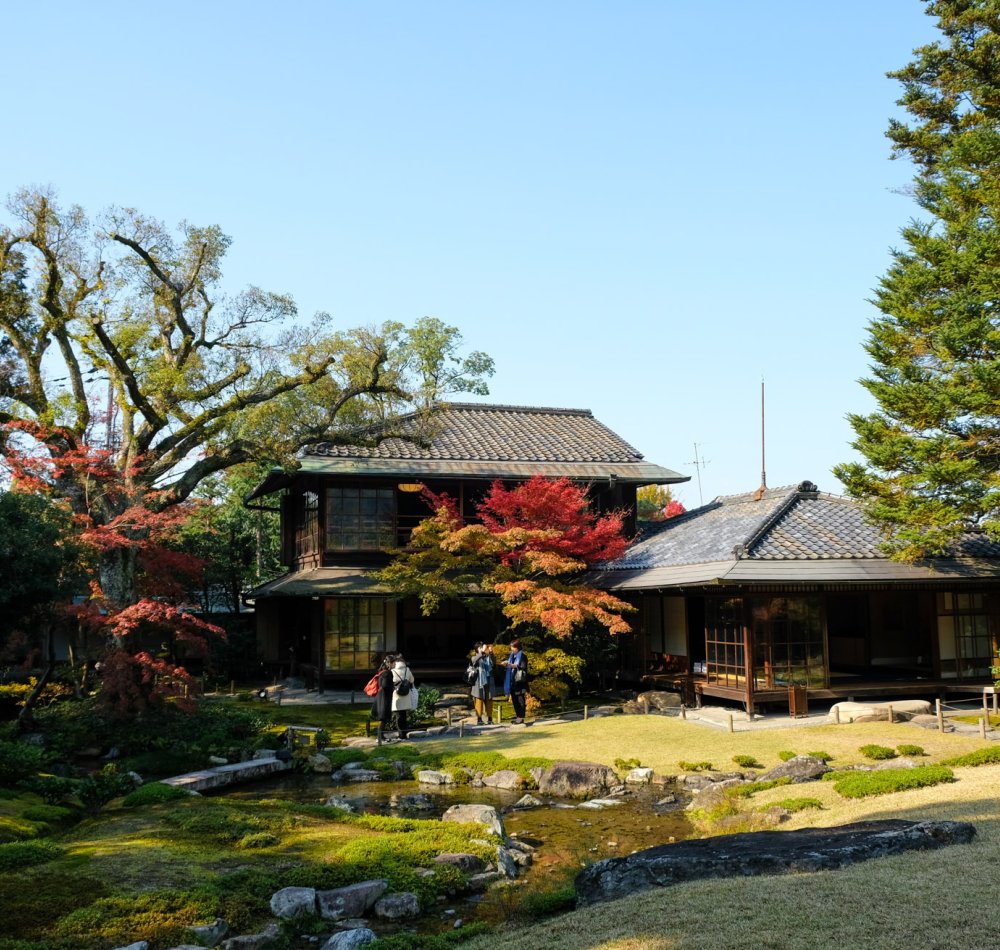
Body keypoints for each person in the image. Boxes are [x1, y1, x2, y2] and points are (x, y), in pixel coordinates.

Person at [501, 639, 528, 724]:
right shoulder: (512, 656)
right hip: (512, 682)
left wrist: (511, 665)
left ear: (517, 647)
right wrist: (506, 663)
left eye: (513, 647)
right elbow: (510, 664)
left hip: (520, 682)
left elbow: (522, 667)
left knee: (520, 700)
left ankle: (521, 717)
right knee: (514, 701)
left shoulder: (523, 656)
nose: (511, 649)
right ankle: (518, 717)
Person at [390, 653, 417, 739]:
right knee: (404, 716)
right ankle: (404, 734)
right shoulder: (407, 670)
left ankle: (401, 735)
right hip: (406, 695)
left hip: (397, 696)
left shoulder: (393, 671)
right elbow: (412, 680)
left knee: (398, 716)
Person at [371, 653, 396, 745]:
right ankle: (379, 738)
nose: (394, 665)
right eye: (394, 663)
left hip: (380, 696)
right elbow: (385, 685)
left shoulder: (381, 671)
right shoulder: (387, 673)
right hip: (384, 698)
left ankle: (381, 737)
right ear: (390, 663)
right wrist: (393, 687)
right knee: (383, 718)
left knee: (383, 718)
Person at [470, 641, 495, 725]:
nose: (484, 649)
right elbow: (474, 661)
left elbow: (493, 663)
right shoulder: (474, 657)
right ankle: (479, 718)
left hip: (488, 680)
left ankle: (490, 718)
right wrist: (482, 652)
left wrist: (491, 652)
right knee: (479, 699)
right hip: (479, 682)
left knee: (489, 699)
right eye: (481, 648)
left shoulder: (487, 657)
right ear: (478, 649)